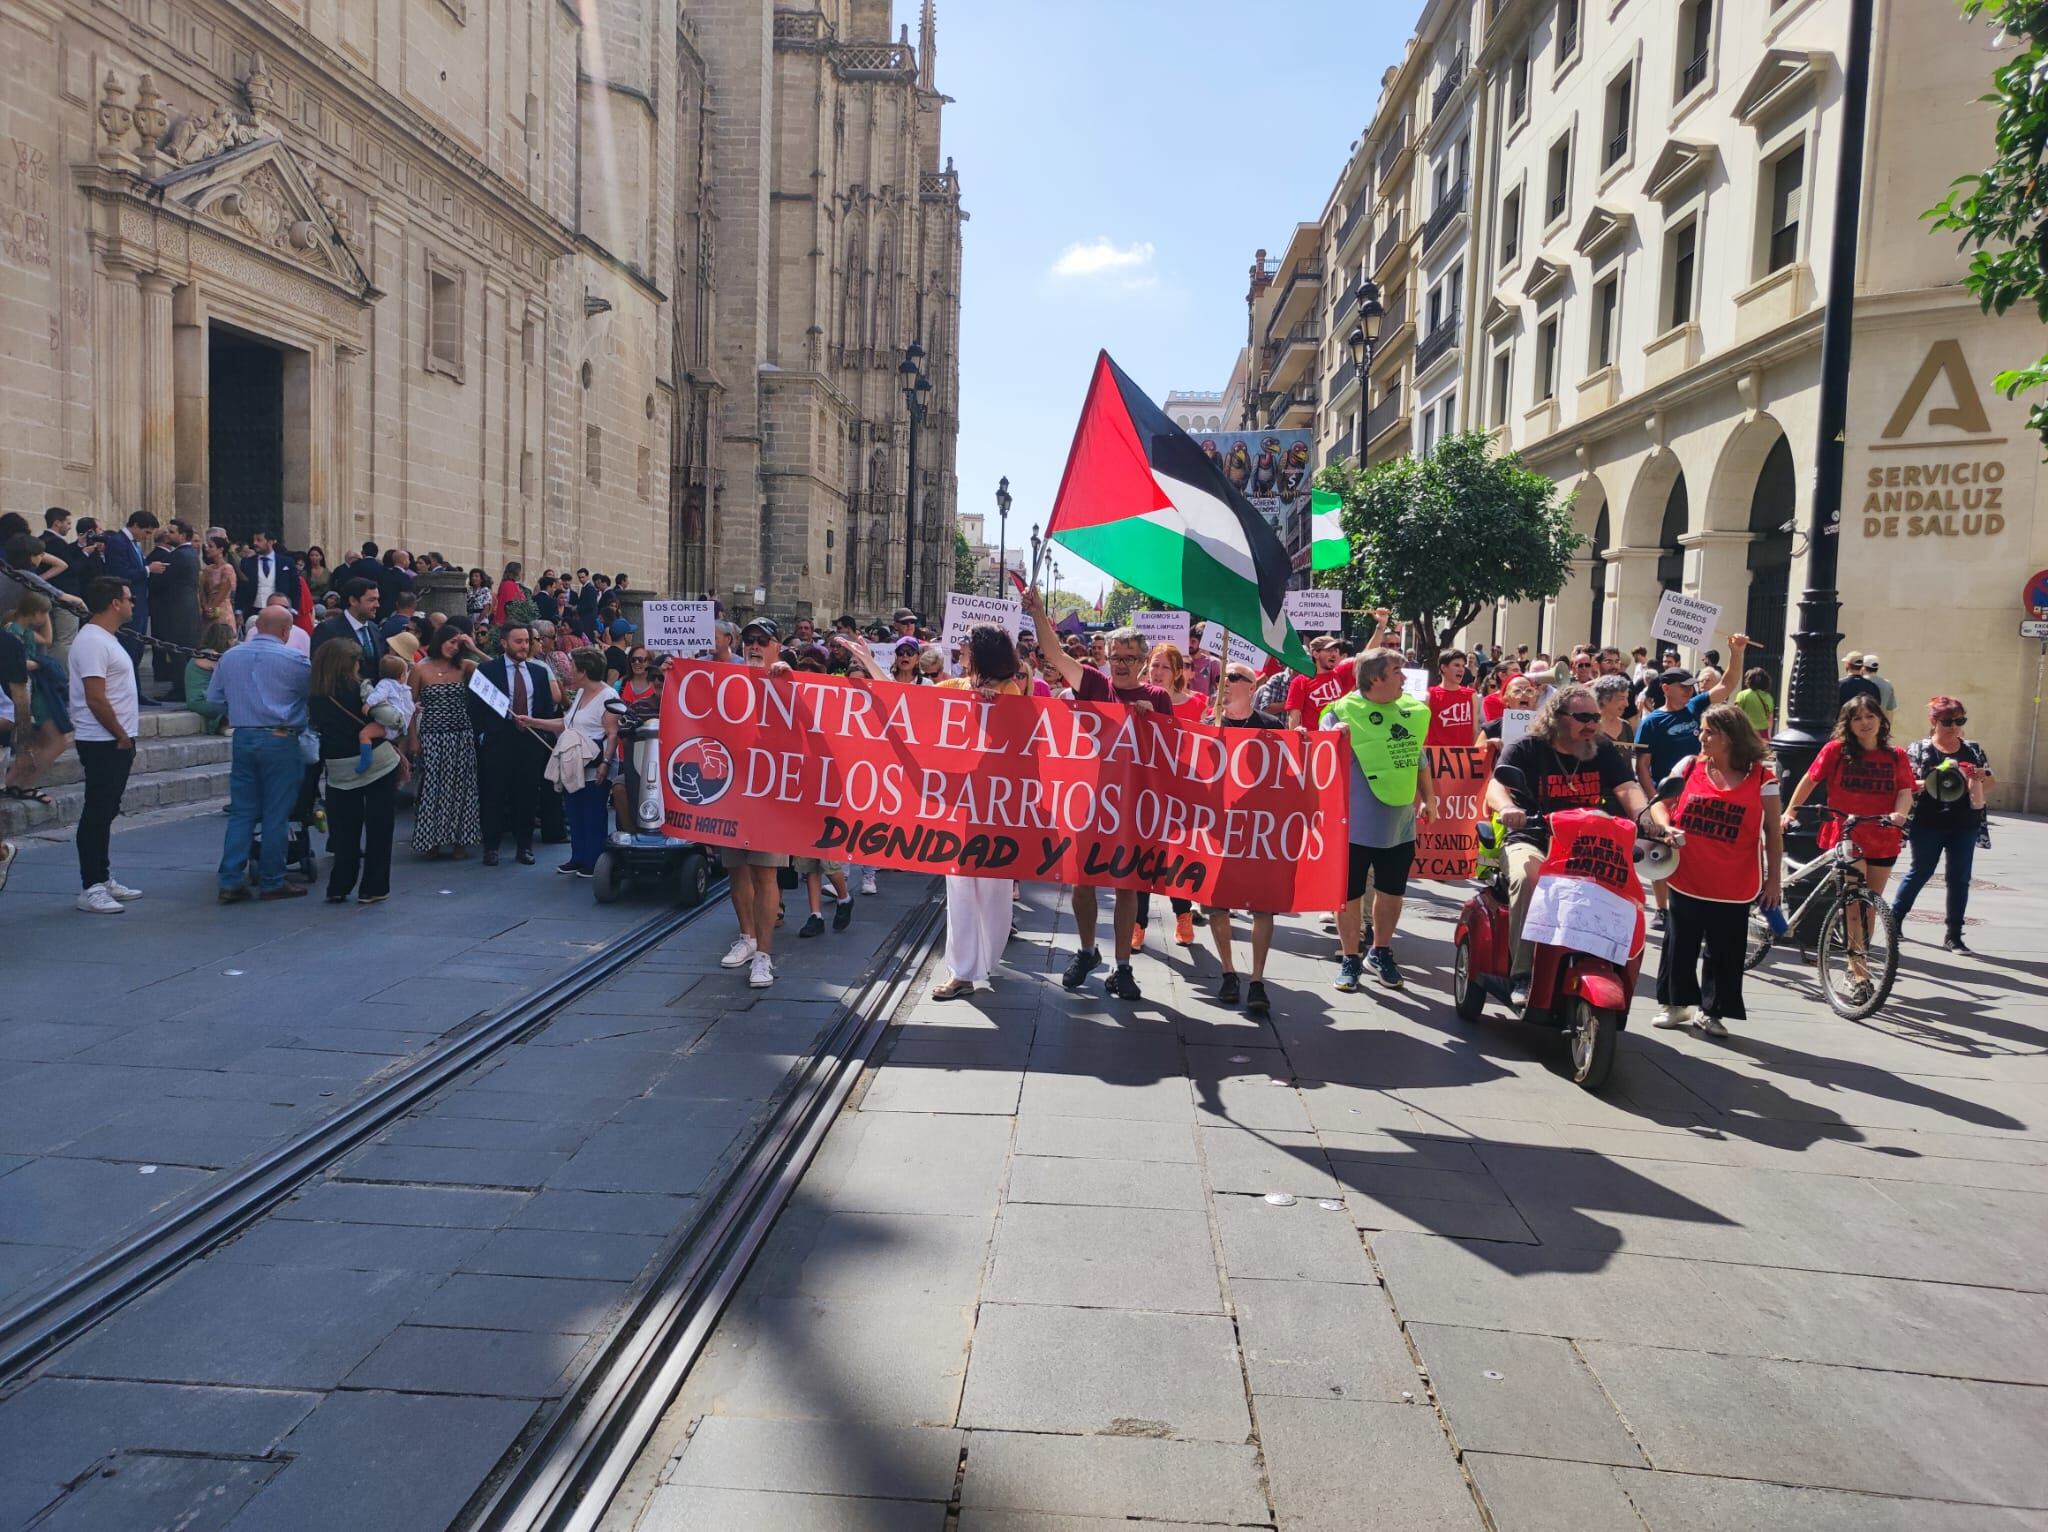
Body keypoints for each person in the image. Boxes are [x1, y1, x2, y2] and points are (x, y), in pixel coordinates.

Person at [1025, 592, 1172, 1001]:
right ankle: (1088, 951)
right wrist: (1038, 613)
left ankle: (1122, 967)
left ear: (1142, 662)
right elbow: (1054, 655)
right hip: (1089, 801)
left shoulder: (1157, 698)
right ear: (1106, 656)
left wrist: (1151, 720)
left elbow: (1171, 749)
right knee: (1082, 880)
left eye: (1128, 657)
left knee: (1127, 885)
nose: (1121, 663)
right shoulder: (1093, 685)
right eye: (1115, 655)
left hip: (1131, 805)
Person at [1483, 683, 1653, 999]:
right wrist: (1508, 808)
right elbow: (1496, 786)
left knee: (1622, 886)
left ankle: (1610, 961)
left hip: (1587, 842)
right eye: (1582, 717)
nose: (1591, 724)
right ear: (1556, 717)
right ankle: (1522, 974)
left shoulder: (1601, 748)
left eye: (1595, 717)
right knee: (1528, 878)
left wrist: (1645, 816)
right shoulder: (1526, 747)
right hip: (1533, 838)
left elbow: (1627, 787)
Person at [1649, 704, 1782, 1038]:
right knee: (1680, 943)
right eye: (1702, 730)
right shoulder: (1690, 765)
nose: (1701, 736)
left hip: (1735, 880)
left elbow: (1773, 831)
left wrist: (1774, 881)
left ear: (1730, 737)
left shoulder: (1763, 778)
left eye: (1709, 731)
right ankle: (1675, 1005)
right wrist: (1667, 829)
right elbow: (1660, 807)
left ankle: (1712, 1011)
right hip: (1688, 873)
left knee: (1725, 949)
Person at [1782, 695, 1915, 990]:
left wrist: (1899, 814)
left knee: (1871, 905)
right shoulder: (1837, 751)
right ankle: (1857, 971)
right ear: (1848, 724)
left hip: (1883, 834)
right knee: (1854, 903)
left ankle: (1858, 959)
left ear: (1881, 719)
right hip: (1847, 833)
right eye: (1857, 718)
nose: (1865, 723)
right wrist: (1790, 811)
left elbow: (1905, 790)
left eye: (1870, 716)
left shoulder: (1896, 756)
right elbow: (1809, 779)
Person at [1322, 647, 1435, 990]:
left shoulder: (1411, 711)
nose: (1404, 677)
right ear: (1376, 678)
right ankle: (1350, 958)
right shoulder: (1342, 711)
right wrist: (1333, 734)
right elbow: (1318, 753)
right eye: (1398, 671)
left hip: (1399, 824)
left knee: (1391, 893)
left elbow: (1417, 756)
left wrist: (1429, 798)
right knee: (1350, 894)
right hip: (1353, 825)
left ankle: (1380, 951)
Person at [929, 624, 1031, 999]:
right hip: (958, 804)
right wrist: (867, 663)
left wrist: (996, 709)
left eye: (967, 644)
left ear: (981, 651)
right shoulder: (955, 688)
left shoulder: (1009, 691)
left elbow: (1018, 739)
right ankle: (963, 971)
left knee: (993, 889)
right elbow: (908, 700)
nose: (961, 648)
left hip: (995, 806)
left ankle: (986, 958)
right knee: (958, 885)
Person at [208, 606, 312, 904]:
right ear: (285, 631)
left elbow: (214, 698)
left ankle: (230, 880)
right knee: (275, 814)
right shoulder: (295, 659)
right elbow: (309, 696)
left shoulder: (230, 657)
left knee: (242, 811)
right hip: (280, 737)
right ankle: (272, 879)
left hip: (244, 735)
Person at [711, 618, 792, 988]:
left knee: (765, 872)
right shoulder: (728, 678)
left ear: (776, 646)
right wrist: (674, 673)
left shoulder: (788, 680)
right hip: (731, 789)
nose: (754, 647)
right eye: (749, 641)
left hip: (771, 793)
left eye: (763, 641)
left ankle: (763, 956)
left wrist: (787, 677)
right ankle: (747, 938)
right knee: (736, 869)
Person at [1205, 658, 1284, 1015]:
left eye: (1234, 677)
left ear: (1252, 687)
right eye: (1222, 676)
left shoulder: (1272, 726)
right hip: (1220, 829)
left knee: (1262, 905)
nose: (1225, 681)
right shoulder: (1209, 725)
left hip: (1258, 831)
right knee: (1217, 904)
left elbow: (1289, 775)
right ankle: (1227, 972)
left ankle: (1257, 979)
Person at [66, 577, 149, 912]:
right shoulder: (91, 642)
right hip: (102, 739)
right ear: (115, 602)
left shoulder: (107, 639)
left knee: (107, 809)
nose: (132, 604)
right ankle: (91, 885)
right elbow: (95, 698)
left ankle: (102, 877)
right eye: (128, 599)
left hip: (116, 738)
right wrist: (119, 733)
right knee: (97, 812)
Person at [1891, 696, 1995, 953]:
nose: (1954, 726)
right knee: (1921, 871)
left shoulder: (1972, 749)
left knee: (1960, 878)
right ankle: (1894, 920)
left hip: (1965, 822)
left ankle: (1954, 935)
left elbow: (1990, 783)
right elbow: (1905, 787)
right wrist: (1930, 780)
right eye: (1948, 721)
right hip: (1928, 821)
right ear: (1934, 721)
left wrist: (1981, 777)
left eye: (1960, 720)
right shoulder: (1920, 750)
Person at [308, 637, 403, 905]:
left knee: (345, 831)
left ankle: (339, 885)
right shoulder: (361, 688)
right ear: (349, 664)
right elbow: (391, 718)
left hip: (339, 769)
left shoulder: (315, 695)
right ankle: (373, 887)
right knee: (379, 827)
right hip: (378, 763)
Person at [475, 621, 562, 867]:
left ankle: (524, 847)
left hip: (530, 743)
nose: (524, 646)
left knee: (526, 795)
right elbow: (476, 708)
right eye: (518, 641)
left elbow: (546, 707)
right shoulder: (487, 671)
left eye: (527, 641)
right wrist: (484, 735)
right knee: (493, 794)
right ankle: (491, 847)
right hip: (498, 742)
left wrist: (540, 730)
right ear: (504, 643)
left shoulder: (537, 672)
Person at [408, 624, 483, 859]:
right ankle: (432, 840)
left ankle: (460, 840)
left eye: (458, 644)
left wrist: (474, 648)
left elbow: (495, 672)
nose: (454, 647)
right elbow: (408, 707)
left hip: (461, 734)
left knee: (463, 788)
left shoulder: (464, 666)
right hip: (432, 735)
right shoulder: (421, 670)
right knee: (433, 788)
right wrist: (412, 740)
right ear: (440, 641)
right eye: (451, 642)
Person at [3, 591, 72, 807]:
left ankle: (14, 782)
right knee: (55, 740)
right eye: (44, 614)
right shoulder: (13, 631)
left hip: (34, 688)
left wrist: (46, 615)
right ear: (34, 613)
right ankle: (22, 783)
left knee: (39, 742)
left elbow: (48, 640)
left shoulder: (25, 630)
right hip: (26, 689)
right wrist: (42, 664)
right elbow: (17, 663)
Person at [146, 518, 202, 700]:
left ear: (182, 535)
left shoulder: (179, 555)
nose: (167, 534)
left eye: (171, 532)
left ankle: (180, 690)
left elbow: (162, 581)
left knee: (178, 650)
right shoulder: (190, 554)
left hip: (178, 609)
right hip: (186, 607)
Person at [312, 579, 387, 681]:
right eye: (371, 600)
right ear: (353, 601)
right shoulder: (327, 630)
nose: (377, 605)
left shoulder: (374, 629)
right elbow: (319, 672)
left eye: (377, 599)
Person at [183, 620, 235, 732]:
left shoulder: (202, 653)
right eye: (233, 637)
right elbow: (230, 677)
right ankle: (222, 726)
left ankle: (223, 725)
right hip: (202, 701)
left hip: (200, 699)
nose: (234, 641)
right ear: (225, 639)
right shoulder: (211, 656)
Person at [234, 531, 298, 621]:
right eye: (254, 540)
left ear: (270, 542)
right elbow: (241, 587)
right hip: (252, 610)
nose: (255, 543)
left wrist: (294, 609)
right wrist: (238, 611)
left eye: (259, 540)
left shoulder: (286, 562)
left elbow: (295, 587)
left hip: (279, 609)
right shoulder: (247, 563)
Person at [1426, 647, 1480, 746]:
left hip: (1464, 757)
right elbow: (1424, 731)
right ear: (1443, 668)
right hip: (1438, 757)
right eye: (1456, 665)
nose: (1461, 669)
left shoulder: (1471, 694)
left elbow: (1475, 730)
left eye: (1463, 666)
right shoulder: (1430, 695)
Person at [1147, 642, 1207, 723]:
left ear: (1178, 673)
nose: (1158, 672)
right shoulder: (1135, 699)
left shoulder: (1197, 708)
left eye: (1166, 667)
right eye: (1155, 665)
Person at [198, 534, 236, 631]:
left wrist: (211, 607)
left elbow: (224, 591)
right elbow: (202, 590)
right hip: (207, 609)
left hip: (221, 609)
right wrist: (205, 606)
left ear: (220, 549)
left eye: (211, 546)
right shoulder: (208, 569)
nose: (207, 549)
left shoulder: (227, 568)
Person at [1732, 666, 1775, 736]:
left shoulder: (1742, 695)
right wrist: (1769, 735)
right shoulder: (1769, 697)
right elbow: (1770, 719)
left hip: (1745, 732)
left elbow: (1736, 715)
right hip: (1762, 733)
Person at [493, 562, 526, 626]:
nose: (521, 574)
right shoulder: (509, 585)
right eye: (520, 572)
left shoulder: (508, 584)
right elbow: (510, 605)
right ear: (516, 572)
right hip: (506, 622)